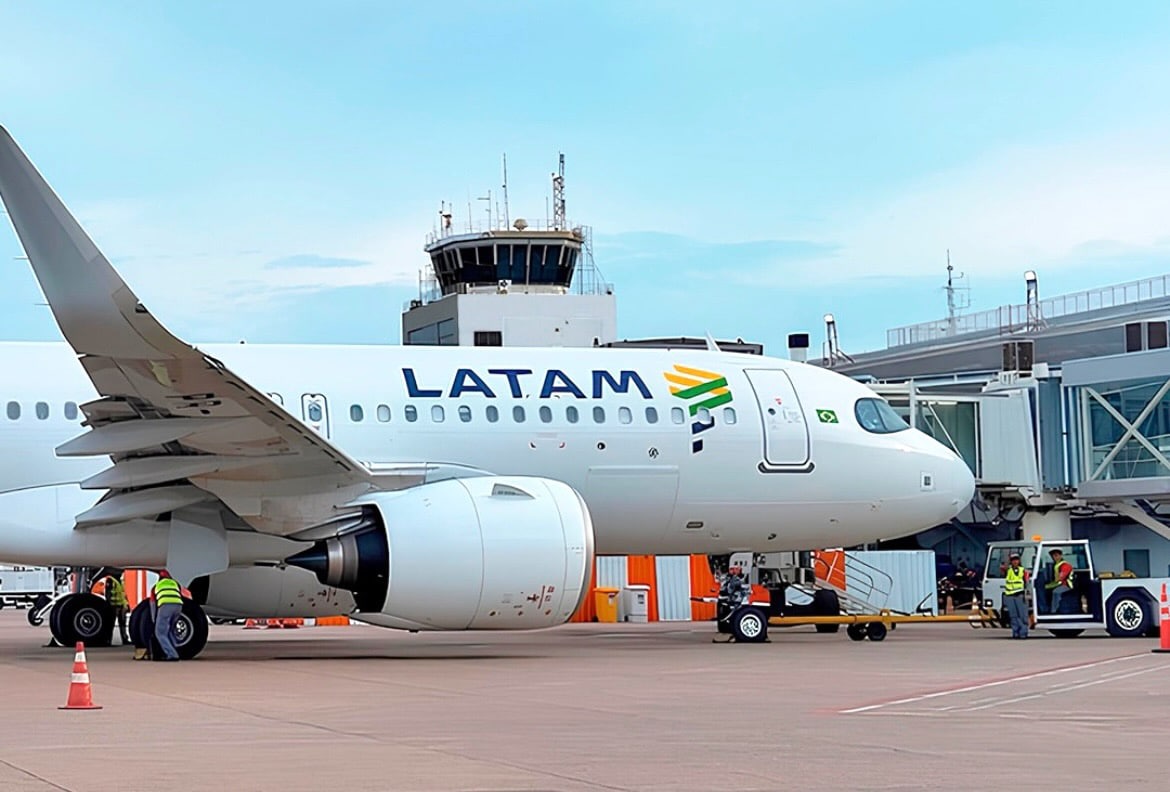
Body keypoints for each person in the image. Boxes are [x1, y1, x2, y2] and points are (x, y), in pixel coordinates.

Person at [151, 570, 184, 661]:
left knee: (160, 633)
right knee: (171, 631)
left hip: (165, 606)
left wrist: (154, 619)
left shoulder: (156, 586)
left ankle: (172, 654)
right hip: (178, 606)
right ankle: (176, 650)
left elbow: (153, 605)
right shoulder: (175, 584)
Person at [1002, 553, 1030, 638]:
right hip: (1010, 595)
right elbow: (1003, 567)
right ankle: (1015, 632)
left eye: (1016, 560)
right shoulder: (1008, 570)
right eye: (1013, 560)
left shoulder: (1023, 571)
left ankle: (1023, 633)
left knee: (1022, 615)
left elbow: (1027, 582)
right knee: (1013, 615)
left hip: (1020, 595)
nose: (1015, 562)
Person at [1045, 549, 1075, 614]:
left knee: (1056, 592)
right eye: (1053, 556)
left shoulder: (1065, 565)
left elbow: (1060, 578)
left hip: (1067, 585)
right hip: (1060, 583)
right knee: (1045, 589)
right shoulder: (1056, 565)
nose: (1054, 557)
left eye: (1056, 555)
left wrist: (1049, 585)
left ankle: (1054, 612)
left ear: (1060, 555)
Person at [102, 574, 129, 645]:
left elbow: (123, 594)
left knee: (122, 623)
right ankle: (108, 640)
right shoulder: (111, 580)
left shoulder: (121, 581)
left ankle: (124, 639)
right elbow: (108, 593)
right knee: (111, 624)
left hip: (121, 605)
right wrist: (108, 604)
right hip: (113, 606)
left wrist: (126, 604)